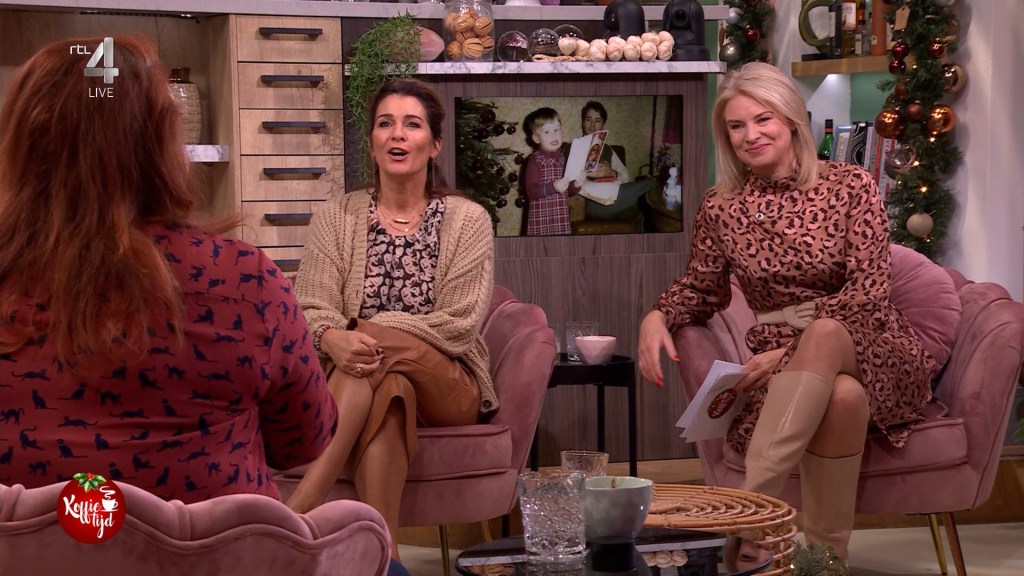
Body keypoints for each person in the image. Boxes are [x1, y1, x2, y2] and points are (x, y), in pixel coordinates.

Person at [0, 35, 337, 503]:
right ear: (160, 140)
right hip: (220, 545)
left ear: (19, 139)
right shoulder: (245, 281)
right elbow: (303, 441)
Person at [636, 62, 933, 563]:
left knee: (826, 333)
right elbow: (702, 289)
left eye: (763, 119)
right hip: (794, 368)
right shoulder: (722, 206)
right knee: (841, 397)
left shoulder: (850, 184)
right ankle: (826, 563)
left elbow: (869, 289)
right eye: (736, 126)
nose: (750, 135)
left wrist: (792, 351)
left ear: (791, 119)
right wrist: (657, 316)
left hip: (872, 344)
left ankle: (749, 516)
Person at [284, 78, 496, 561]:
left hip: (449, 384)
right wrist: (330, 337)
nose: (397, 134)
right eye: (385, 123)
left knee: (366, 351)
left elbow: (459, 324)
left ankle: (300, 507)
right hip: (372, 378)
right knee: (389, 389)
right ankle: (387, 560)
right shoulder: (336, 217)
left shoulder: (468, 219)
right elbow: (310, 305)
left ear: (434, 144)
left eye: (412, 124)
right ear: (373, 142)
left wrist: (356, 333)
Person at [521, 107, 583, 236]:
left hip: (561, 218)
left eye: (556, 129)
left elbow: (568, 190)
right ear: (536, 138)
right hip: (541, 220)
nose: (554, 135)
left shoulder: (563, 159)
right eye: (547, 132)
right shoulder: (535, 160)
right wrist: (553, 187)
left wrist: (576, 185)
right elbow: (531, 192)